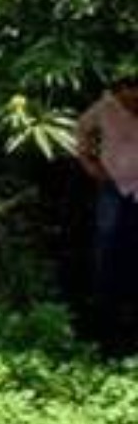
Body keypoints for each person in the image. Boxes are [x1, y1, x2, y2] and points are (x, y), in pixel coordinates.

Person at [76, 76, 138, 353]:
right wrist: (88, 162)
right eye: (129, 93)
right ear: (120, 90)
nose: (133, 98)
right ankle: (103, 314)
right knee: (107, 243)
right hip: (113, 185)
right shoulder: (105, 107)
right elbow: (81, 129)